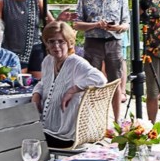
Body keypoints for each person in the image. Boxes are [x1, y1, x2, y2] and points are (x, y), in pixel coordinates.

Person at [31, 21, 106, 149]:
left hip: (65, 135)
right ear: (46, 44)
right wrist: (36, 95)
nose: (56, 46)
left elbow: (100, 79)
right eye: (51, 41)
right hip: (47, 128)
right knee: (17, 130)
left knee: (21, 137)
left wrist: (73, 89)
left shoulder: (76, 62)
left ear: (69, 43)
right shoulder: (48, 61)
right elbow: (43, 83)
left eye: (61, 41)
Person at [74, 0, 130, 121]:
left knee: (116, 82)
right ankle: (91, 119)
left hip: (114, 42)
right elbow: (77, 24)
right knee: (92, 81)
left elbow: (126, 23)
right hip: (93, 43)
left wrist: (117, 27)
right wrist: (96, 25)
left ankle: (117, 120)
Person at [95, 0, 130, 103]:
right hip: (101, 29)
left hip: (118, 29)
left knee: (120, 60)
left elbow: (125, 8)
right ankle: (106, 90)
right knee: (103, 60)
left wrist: (119, 25)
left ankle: (121, 91)